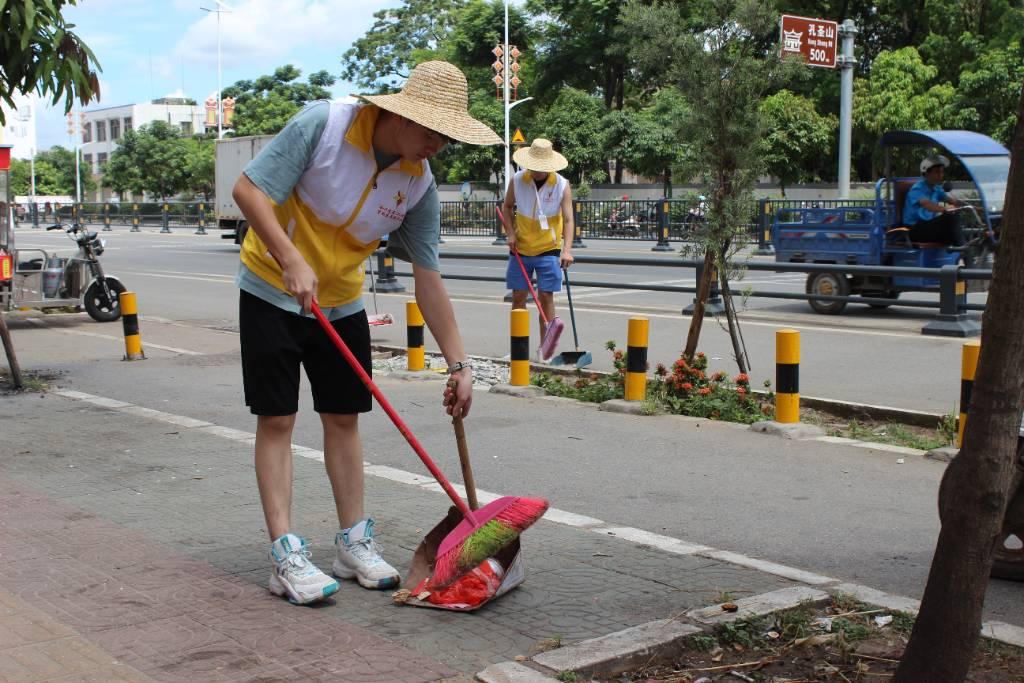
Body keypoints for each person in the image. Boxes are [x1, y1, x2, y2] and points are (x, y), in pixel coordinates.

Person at [232, 61, 501, 605]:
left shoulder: (418, 181)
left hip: (341, 300)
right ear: (400, 115)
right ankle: (284, 553)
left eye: (446, 137)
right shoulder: (324, 126)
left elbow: (428, 279)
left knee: (343, 417)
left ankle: (352, 542)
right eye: (431, 132)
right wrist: (288, 258)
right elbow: (248, 189)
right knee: (278, 417)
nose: (436, 146)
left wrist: (460, 366)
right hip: (270, 288)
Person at [500, 139, 575, 345]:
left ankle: (546, 348)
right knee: (518, 297)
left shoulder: (561, 184)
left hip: (548, 248)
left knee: (545, 298)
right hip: (520, 248)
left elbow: (568, 219)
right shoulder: (517, 179)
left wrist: (567, 250)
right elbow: (507, 207)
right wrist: (511, 234)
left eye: (541, 168)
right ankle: (519, 347)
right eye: (533, 166)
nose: (537, 171)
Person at [903, 154, 967, 247]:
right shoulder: (917, 189)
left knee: (955, 222)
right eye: (936, 172)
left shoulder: (937, 189)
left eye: (942, 172)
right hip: (913, 230)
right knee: (951, 218)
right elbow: (928, 205)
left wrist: (972, 207)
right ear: (926, 173)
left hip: (927, 228)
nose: (940, 175)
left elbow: (947, 201)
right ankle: (964, 252)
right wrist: (946, 209)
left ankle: (964, 251)